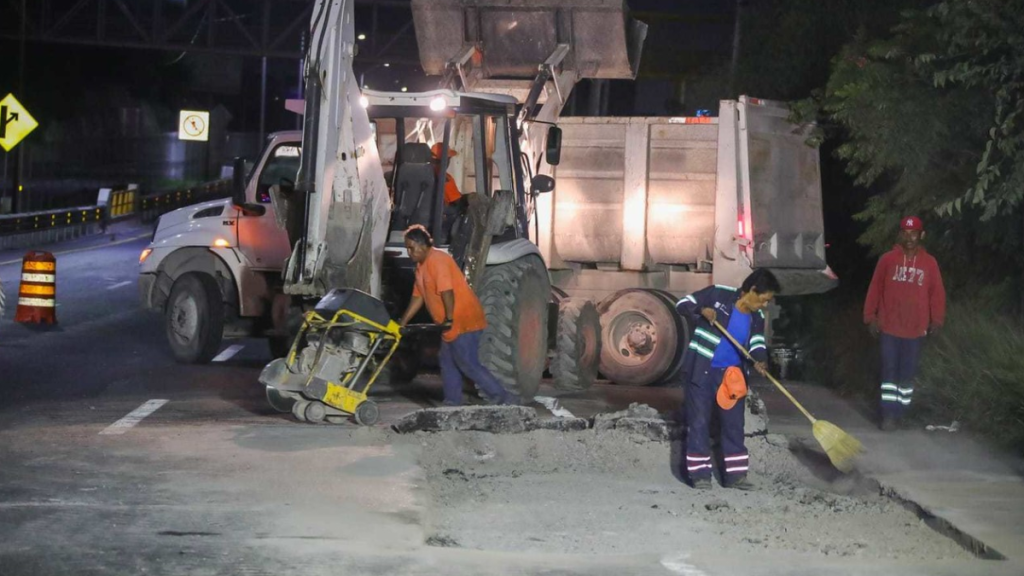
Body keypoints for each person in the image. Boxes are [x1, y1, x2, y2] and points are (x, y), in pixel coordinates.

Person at [675, 270, 780, 490]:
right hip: (702, 371)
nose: (764, 305)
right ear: (752, 290)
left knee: (733, 425)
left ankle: (735, 476)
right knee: (699, 422)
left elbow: (757, 344)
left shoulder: (757, 318)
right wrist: (700, 310)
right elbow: (682, 304)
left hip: (732, 377)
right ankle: (700, 475)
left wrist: (760, 360)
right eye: (764, 300)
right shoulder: (718, 295)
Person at [398, 225, 519, 406]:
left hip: (463, 320)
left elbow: (447, 291)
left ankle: (503, 397)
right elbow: (418, 297)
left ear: (422, 245)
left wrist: (449, 318)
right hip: (450, 323)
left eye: (411, 247)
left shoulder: (437, 260)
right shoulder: (421, 267)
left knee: (467, 362)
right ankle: (452, 402)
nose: (409, 252)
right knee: (447, 362)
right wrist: (403, 321)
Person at [863, 215, 946, 431]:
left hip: (916, 330)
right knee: (889, 372)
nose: (909, 238)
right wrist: (870, 317)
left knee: (907, 374)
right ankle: (888, 415)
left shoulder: (930, 263)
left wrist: (936, 320)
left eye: (914, 233)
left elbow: (937, 293)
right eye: (906, 233)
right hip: (889, 326)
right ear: (900, 234)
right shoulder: (887, 260)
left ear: (922, 235)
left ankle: (901, 412)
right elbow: (875, 288)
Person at [430, 143, 465, 242]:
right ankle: (446, 240)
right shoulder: (445, 178)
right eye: (449, 159)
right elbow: (457, 201)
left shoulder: (421, 173)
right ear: (443, 160)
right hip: (440, 220)